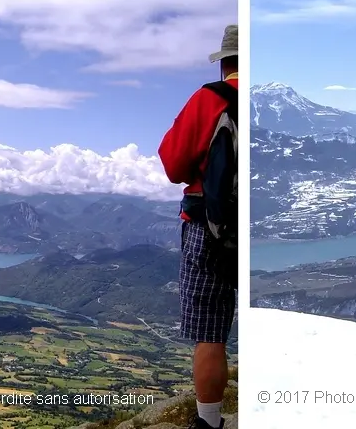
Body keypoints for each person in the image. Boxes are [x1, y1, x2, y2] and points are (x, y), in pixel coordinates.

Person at [157, 24, 238, 429]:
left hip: (210, 228)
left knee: (210, 331)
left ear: (224, 63)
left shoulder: (210, 99)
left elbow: (173, 165)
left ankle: (209, 421)